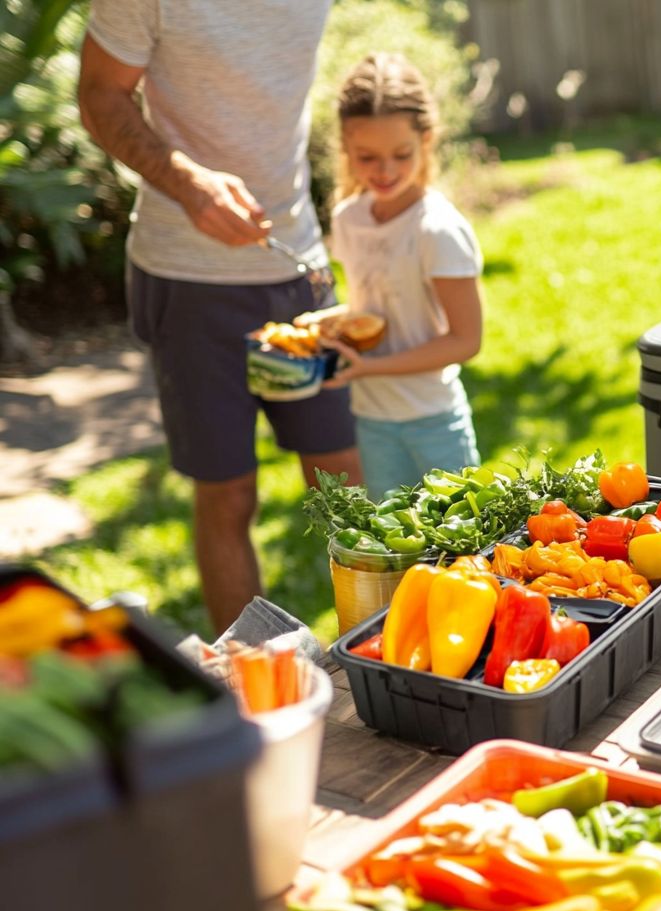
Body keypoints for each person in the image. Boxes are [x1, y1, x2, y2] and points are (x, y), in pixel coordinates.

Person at [77, 1, 362, 634]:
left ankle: (388, 671)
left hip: (298, 268)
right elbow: (99, 94)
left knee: (343, 485)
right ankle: (255, 687)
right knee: (228, 494)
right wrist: (186, 182)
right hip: (188, 280)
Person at [322, 53, 484, 499]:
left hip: (433, 421)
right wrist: (323, 327)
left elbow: (465, 341)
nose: (385, 171)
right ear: (345, 149)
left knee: (458, 555)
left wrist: (370, 367)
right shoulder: (348, 219)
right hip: (372, 420)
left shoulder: (437, 229)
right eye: (367, 157)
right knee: (393, 558)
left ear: (426, 140)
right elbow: (371, 312)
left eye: (401, 154)